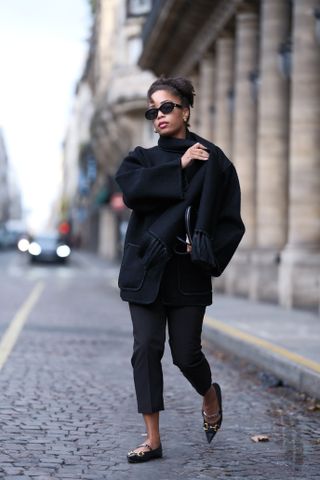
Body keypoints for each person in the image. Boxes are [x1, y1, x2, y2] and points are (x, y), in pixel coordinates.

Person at [115, 76, 245, 463]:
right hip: (145, 268)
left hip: (187, 271)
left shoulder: (215, 160)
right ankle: (152, 440)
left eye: (167, 107)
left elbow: (231, 220)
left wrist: (204, 248)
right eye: (152, 111)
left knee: (185, 355)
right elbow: (133, 191)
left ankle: (209, 394)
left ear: (186, 109)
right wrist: (180, 164)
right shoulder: (141, 158)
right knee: (146, 350)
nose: (159, 116)